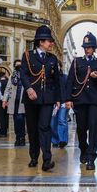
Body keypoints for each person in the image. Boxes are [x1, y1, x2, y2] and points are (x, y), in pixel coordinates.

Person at [21, 25, 61, 171]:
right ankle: (33, 156)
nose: (51, 43)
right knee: (32, 129)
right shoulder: (27, 55)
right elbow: (23, 74)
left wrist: (58, 98)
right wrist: (29, 88)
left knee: (45, 127)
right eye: (49, 41)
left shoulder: (53, 58)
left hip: (48, 99)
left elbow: (56, 80)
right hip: (31, 98)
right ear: (40, 42)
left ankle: (47, 160)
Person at [65, 32, 97, 171]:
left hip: (95, 100)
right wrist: (68, 99)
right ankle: (83, 149)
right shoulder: (77, 61)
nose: (87, 49)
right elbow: (70, 80)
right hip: (80, 99)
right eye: (85, 47)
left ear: (94, 48)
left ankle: (91, 157)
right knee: (81, 129)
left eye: (89, 47)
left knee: (94, 129)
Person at [2, 60, 26, 146]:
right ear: (14, 66)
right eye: (17, 65)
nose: (18, 66)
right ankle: (17, 137)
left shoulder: (26, 75)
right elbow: (7, 89)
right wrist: (4, 100)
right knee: (16, 121)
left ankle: (22, 137)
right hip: (13, 101)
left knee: (21, 120)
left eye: (20, 64)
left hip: (23, 102)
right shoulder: (12, 76)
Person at [51, 61, 69, 148]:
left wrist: (67, 101)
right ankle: (55, 140)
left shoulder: (65, 77)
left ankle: (63, 140)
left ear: (60, 67)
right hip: (52, 103)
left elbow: (68, 90)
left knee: (62, 120)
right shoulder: (50, 78)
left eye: (57, 65)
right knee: (52, 123)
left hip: (63, 102)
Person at [0, 72, 9, 137]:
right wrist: (6, 100)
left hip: (1, 102)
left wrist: (3, 100)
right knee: (6, 116)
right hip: (8, 101)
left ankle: (2, 132)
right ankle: (5, 131)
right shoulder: (8, 82)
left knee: (1, 117)